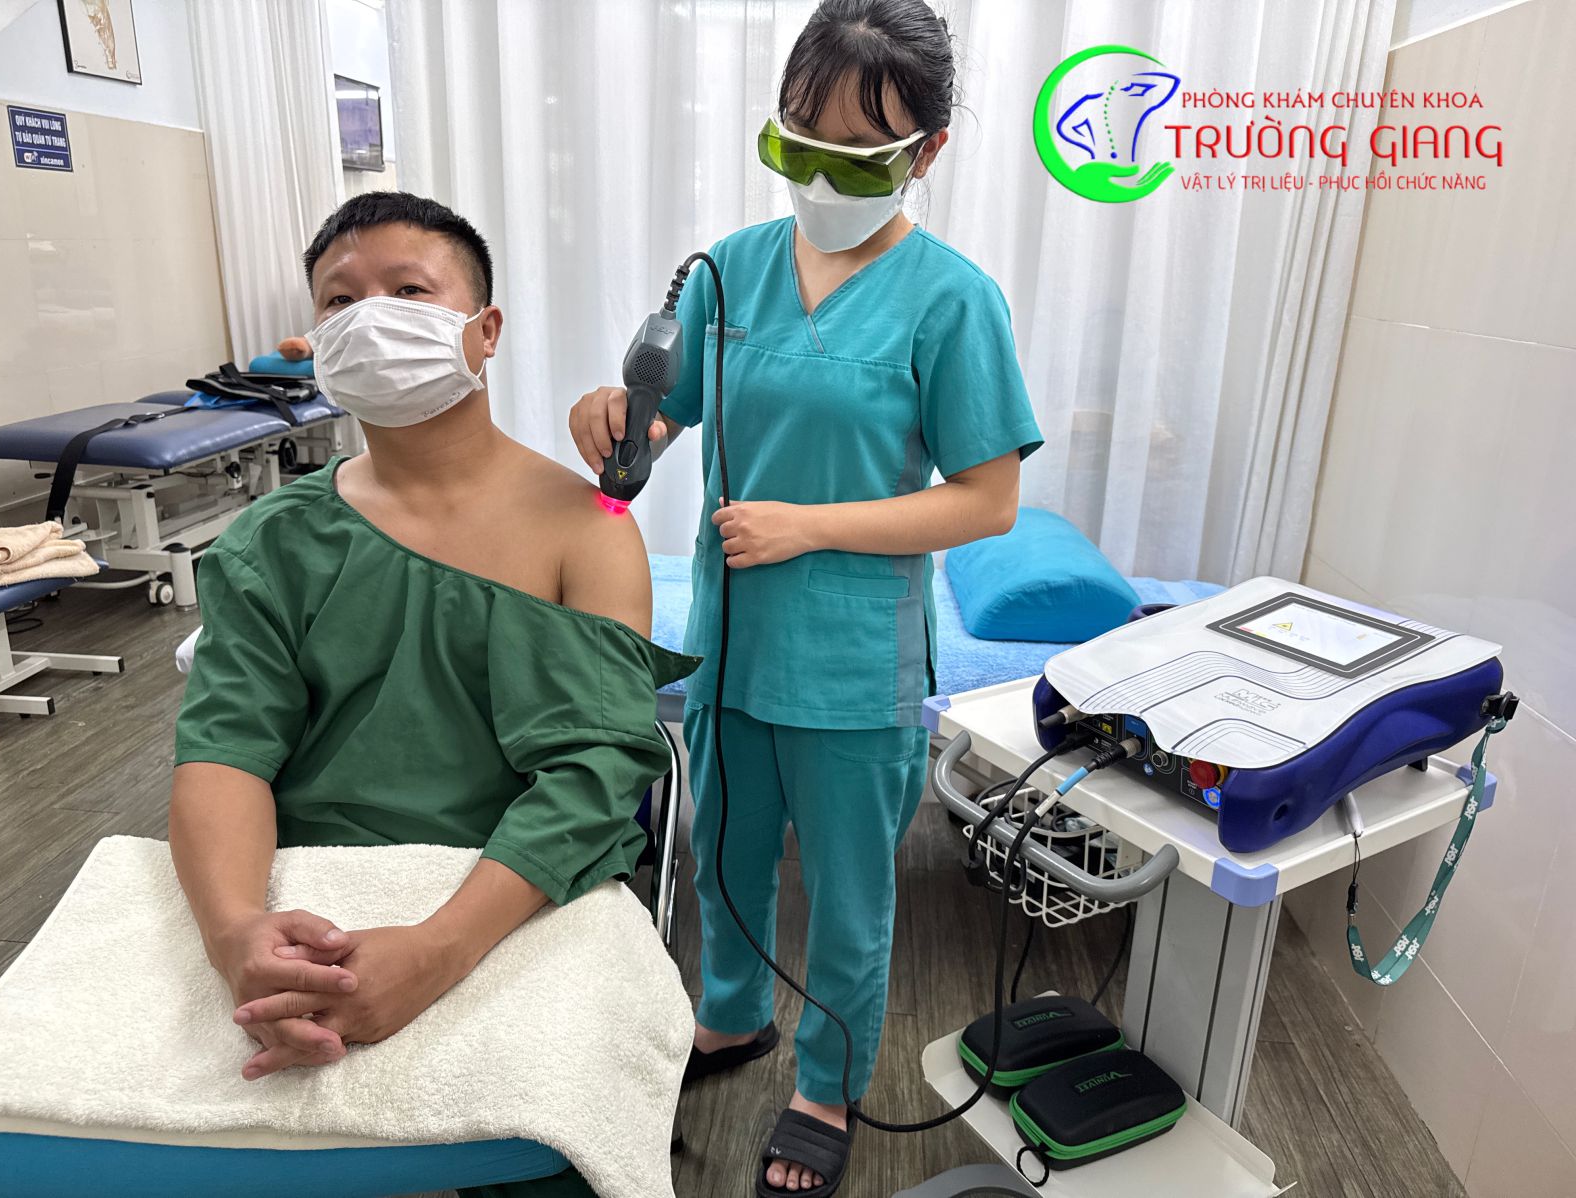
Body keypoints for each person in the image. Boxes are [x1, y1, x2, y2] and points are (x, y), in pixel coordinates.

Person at [569, 2, 1041, 1193]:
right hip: (730, 640)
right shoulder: (726, 270)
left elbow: (987, 501)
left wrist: (810, 526)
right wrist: (619, 418)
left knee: (845, 896)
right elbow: (670, 416)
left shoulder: (953, 299)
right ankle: (731, 1016)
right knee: (724, 857)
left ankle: (825, 1085)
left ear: (926, 153)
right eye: (797, 144)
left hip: (851, 658)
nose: (821, 179)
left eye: (859, 157)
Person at [170, 192, 695, 1198]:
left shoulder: (584, 527)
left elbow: (593, 776)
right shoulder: (273, 541)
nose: (369, 317)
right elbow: (224, 753)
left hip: (518, 893)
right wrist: (237, 932)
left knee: (555, 1144)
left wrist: (439, 950)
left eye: (408, 290)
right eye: (339, 302)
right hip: (309, 891)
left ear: (484, 330)